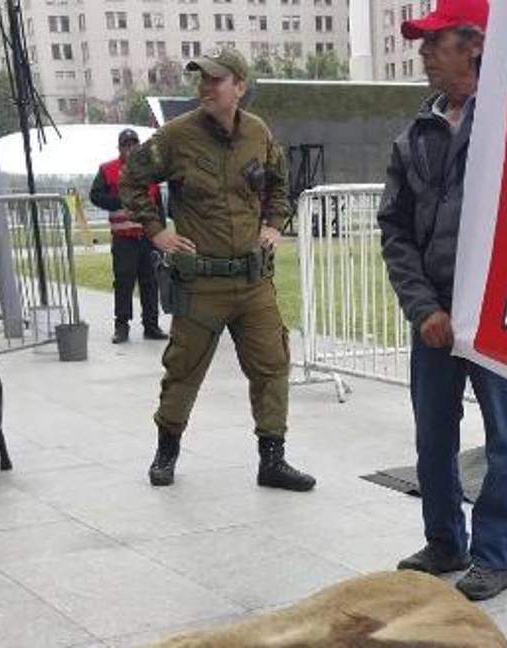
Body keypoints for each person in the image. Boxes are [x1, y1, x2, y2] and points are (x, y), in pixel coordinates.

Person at [377, 0, 507, 601]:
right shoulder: (413, 135)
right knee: (432, 437)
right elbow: (395, 229)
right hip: (435, 319)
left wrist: (487, 309)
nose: (422, 52)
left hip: (500, 319)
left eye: (434, 42)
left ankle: (496, 557)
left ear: (474, 46)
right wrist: (424, 309)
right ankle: (446, 541)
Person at [119, 48, 315, 492]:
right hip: (201, 283)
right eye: (202, 81)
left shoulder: (258, 132)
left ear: (239, 87)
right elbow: (131, 179)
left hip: (252, 281)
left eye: (216, 80)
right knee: (183, 371)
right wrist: (157, 232)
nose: (205, 88)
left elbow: (280, 182)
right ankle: (166, 452)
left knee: (272, 367)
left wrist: (273, 224)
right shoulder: (176, 136)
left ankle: (273, 459)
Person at [89, 128, 168, 344]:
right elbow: (95, 195)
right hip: (124, 238)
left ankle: (151, 326)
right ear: (120, 147)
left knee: (150, 282)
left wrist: (160, 233)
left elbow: (158, 204)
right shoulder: (108, 170)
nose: (130, 148)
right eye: (126, 144)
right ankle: (121, 326)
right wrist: (118, 202)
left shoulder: (150, 171)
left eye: (134, 144)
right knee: (124, 283)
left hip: (148, 238)